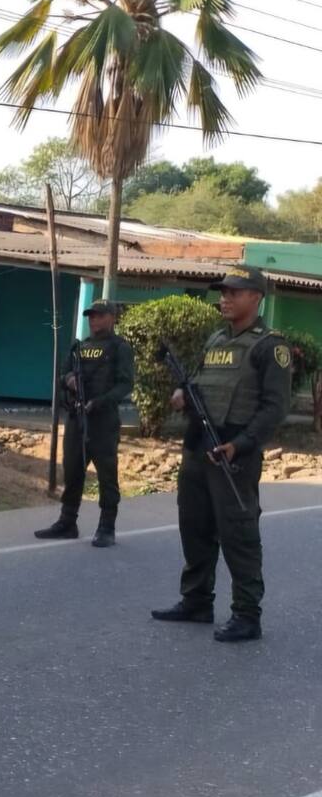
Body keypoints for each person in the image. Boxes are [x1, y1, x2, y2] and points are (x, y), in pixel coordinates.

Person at [152, 266, 291, 642]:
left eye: (234, 292)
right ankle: (196, 600)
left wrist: (241, 444)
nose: (225, 298)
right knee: (194, 526)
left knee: (238, 533)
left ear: (256, 297)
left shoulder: (269, 345)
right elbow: (198, 383)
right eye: (223, 292)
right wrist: (183, 395)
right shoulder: (215, 340)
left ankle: (247, 614)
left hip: (234, 452)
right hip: (199, 446)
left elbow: (275, 408)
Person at [35, 300, 135, 548]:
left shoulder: (120, 347)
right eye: (91, 316)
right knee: (72, 471)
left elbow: (126, 384)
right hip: (77, 418)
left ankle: (107, 526)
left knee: (106, 475)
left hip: (103, 420)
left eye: (99, 316)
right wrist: (69, 379)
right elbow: (61, 375)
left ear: (112, 318)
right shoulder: (79, 347)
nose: (94, 320)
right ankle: (68, 522)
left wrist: (100, 402)